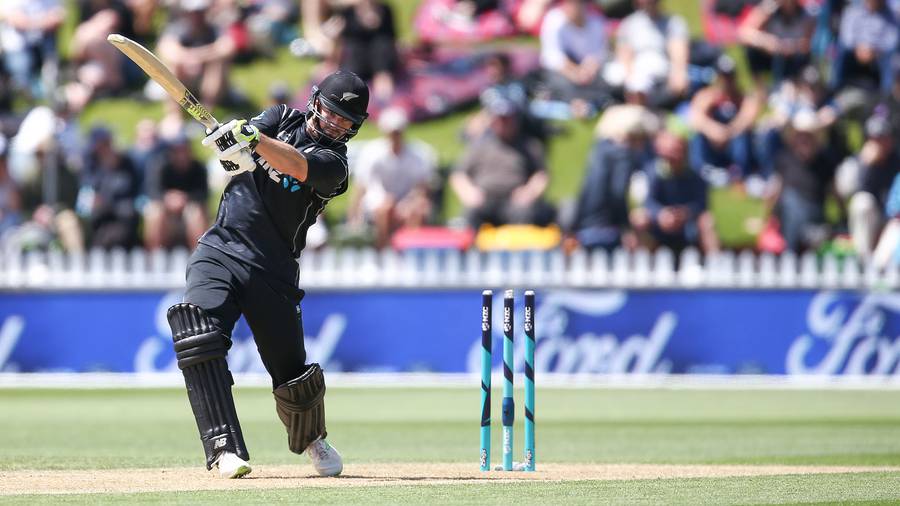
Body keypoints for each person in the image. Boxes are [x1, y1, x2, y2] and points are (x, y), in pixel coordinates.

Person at [167, 70, 369, 479]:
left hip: (273, 270)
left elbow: (295, 164)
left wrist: (252, 140)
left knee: (292, 375)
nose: (335, 124)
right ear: (315, 102)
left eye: (345, 120)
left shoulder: (335, 166)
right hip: (220, 249)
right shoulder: (280, 117)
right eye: (331, 112)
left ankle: (312, 438)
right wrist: (229, 144)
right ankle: (223, 448)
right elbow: (234, 157)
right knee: (198, 336)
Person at [450, 99, 554, 228]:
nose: (503, 123)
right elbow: (458, 175)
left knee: (524, 214)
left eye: (507, 119)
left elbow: (541, 175)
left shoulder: (529, 146)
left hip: (514, 201)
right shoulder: (480, 146)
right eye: (499, 119)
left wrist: (529, 192)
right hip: (484, 200)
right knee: (470, 216)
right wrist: (469, 193)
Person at [348, 108, 435, 248]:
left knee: (417, 210)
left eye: (397, 132)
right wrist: (353, 216)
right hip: (377, 201)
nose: (395, 136)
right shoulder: (371, 153)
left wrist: (410, 202)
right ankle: (383, 248)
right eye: (392, 132)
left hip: (406, 200)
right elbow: (362, 186)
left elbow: (422, 188)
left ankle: (409, 249)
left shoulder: (419, 154)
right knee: (385, 207)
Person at [632, 131, 720, 254]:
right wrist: (660, 215)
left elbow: (702, 204)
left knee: (707, 220)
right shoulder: (651, 172)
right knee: (639, 218)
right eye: (671, 152)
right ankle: (641, 259)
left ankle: (713, 260)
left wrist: (685, 213)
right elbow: (647, 202)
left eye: (679, 151)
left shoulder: (695, 174)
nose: (675, 156)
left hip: (687, 225)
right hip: (659, 224)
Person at [768, 111, 841, 252]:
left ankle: (795, 250)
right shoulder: (784, 159)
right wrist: (767, 220)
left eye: (808, 136)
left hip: (815, 215)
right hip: (788, 215)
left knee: (794, 205)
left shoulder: (826, 162)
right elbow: (776, 191)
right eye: (800, 136)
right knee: (790, 201)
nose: (804, 140)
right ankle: (791, 252)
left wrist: (843, 218)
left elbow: (835, 192)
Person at [689, 55, 763, 186]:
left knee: (742, 136)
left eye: (729, 76)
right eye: (723, 76)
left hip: (732, 142)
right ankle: (703, 171)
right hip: (712, 143)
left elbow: (747, 118)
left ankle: (739, 173)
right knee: (697, 136)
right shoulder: (707, 95)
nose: (727, 80)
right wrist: (714, 130)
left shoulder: (742, 97)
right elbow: (696, 118)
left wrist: (728, 132)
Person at [834, 114, 899, 257]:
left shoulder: (897, 162)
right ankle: (863, 259)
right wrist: (866, 166)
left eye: (883, 138)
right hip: (870, 222)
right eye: (875, 139)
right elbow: (846, 193)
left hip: (893, 221)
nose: (879, 143)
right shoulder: (856, 162)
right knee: (862, 202)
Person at [607, 0, 690, 109]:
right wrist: (629, 75)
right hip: (635, 70)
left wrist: (678, 72)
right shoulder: (630, 23)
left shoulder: (673, 22)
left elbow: (678, 51)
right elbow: (624, 52)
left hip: (659, 69)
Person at [538, 0, 613, 115]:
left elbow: (599, 54)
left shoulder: (596, 21)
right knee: (558, 82)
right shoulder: (554, 19)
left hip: (589, 73)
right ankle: (579, 103)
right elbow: (553, 56)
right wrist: (574, 73)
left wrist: (588, 71)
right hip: (562, 72)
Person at [143, 135, 209, 250]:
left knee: (195, 213)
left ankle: (197, 253)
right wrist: (168, 198)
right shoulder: (160, 166)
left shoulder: (198, 167)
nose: (181, 154)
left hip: (188, 207)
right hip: (165, 208)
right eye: (177, 151)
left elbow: (203, 193)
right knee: (154, 212)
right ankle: (155, 254)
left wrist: (184, 198)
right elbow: (152, 190)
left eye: (184, 150)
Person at [737, 0, 814, 85]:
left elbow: (810, 42)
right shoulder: (769, 8)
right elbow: (745, 32)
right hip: (772, 57)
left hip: (795, 58)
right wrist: (767, 42)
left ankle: (800, 86)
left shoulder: (806, 12)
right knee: (751, 52)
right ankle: (760, 90)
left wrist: (792, 46)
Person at [831, 0, 898, 97]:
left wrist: (874, 51)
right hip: (854, 50)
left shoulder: (891, 15)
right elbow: (846, 37)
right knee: (840, 50)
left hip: (878, 53)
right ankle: (835, 89)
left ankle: (886, 95)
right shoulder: (853, 11)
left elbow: (892, 41)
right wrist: (859, 48)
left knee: (890, 58)